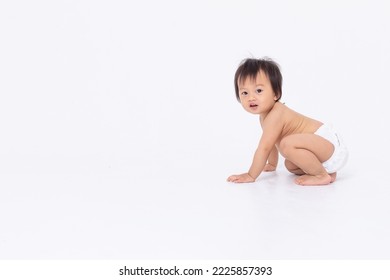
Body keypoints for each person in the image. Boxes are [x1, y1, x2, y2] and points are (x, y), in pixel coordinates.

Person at [227, 58, 348, 186]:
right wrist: (272, 164)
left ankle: (321, 175)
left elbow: (264, 148)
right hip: (320, 150)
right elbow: (271, 142)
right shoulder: (265, 116)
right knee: (290, 165)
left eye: (259, 91)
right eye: (244, 92)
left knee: (286, 144)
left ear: (276, 93)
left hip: (328, 143)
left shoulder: (276, 114)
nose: (251, 97)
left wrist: (251, 175)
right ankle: (326, 170)